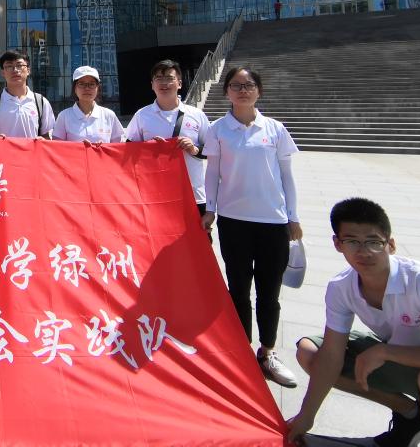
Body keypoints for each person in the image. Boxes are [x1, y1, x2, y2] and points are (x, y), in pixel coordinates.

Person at [287, 198, 420, 447]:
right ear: (337, 244)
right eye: (352, 241)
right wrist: (306, 416)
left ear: (391, 245)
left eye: (374, 242)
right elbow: (332, 355)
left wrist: (386, 352)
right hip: (412, 364)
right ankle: (411, 414)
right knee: (311, 352)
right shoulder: (341, 287)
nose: (364, 252)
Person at [202, 66, 302, 389]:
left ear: (258, 90)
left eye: (248, 85)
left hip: (273, 222)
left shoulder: (274, 129)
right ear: (226, 92)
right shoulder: (218, 129)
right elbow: (212, 173)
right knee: (238, 290)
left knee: (269, 293)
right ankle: (241, 351)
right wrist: (211, 210)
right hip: (234, 223)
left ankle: (268, 352)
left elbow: (286, 175)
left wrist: (293, 216)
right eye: (236, 85)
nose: (242, 90)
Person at [124, 59, 209, 217]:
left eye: (169, 78)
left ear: (179, 83)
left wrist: (194, 149)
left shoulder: (197, 115)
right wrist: (147, 148)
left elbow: (212, 150)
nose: (164, 83)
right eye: (159, 78)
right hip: (154, 195)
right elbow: (127, 152)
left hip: (193, 194)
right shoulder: (142, 115)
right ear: (152, 84)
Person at [0, 50, 54, 139]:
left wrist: (43, 140)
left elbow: (50, 136)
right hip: (3, 149)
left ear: (28, 70)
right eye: (9, 66)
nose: (15, 70)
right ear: (3, 72)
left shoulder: (41, 102)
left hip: (32, 149)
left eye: (19, 65)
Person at [52, 66, 124, 143]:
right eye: (81, 84)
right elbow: (57, 147)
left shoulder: (109, 115)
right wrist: (78, 147)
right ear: (75, 88)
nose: (87, 88)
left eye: (91, 84)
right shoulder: (64, 116)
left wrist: (104, 147)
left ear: (97, 88)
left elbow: (118, 146)